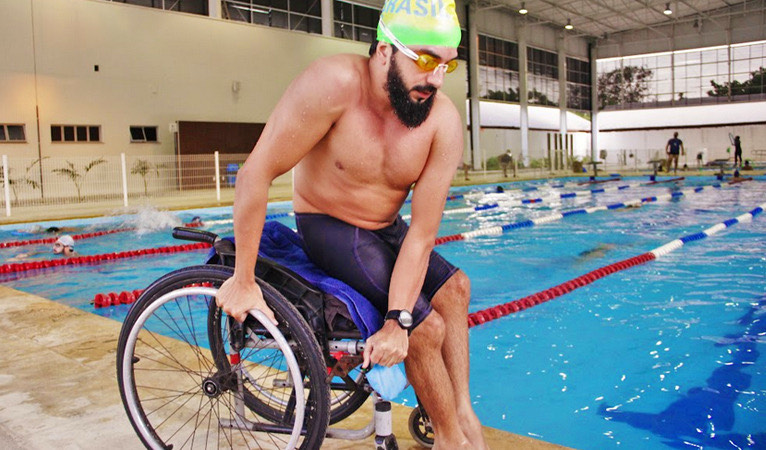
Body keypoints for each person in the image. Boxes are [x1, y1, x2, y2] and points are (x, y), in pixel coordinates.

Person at [215, 1, 487, 448]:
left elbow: (420, 234)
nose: (436, 79)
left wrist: (397, 318)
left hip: (386, 227)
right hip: (329, 224)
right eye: (424, 60)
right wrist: (243, 279)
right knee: (427, 329)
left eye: (446, 66)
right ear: (384, 50)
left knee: (456, 291)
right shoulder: (334, 84)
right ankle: (450, 440)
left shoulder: (443, 123)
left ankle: (462, 417)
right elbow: (256, 172)